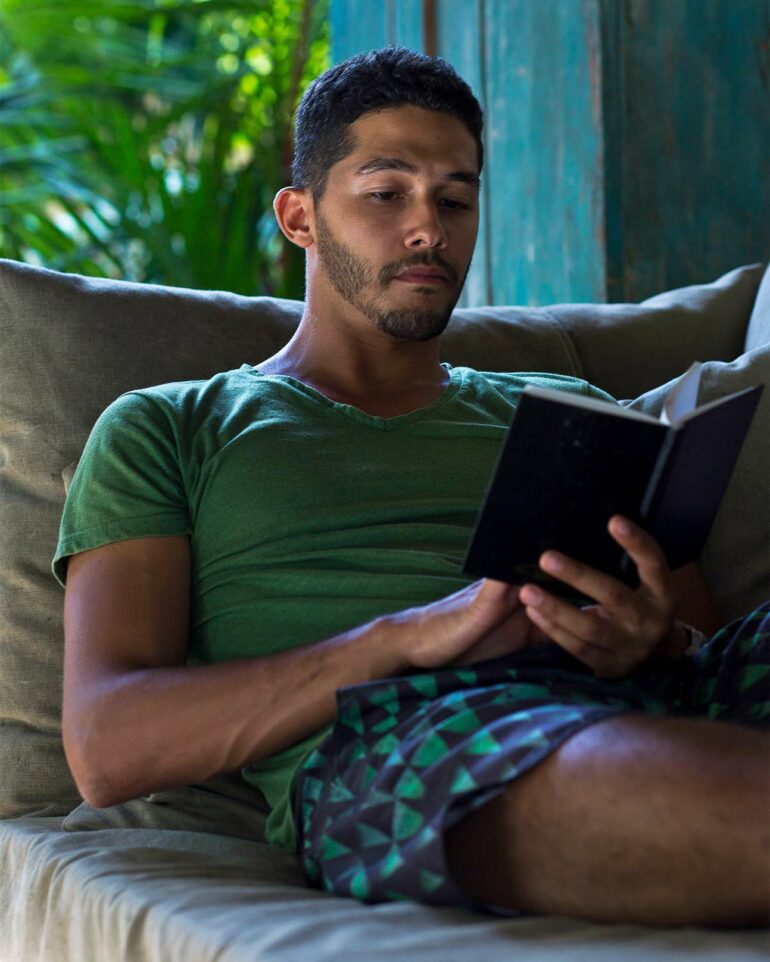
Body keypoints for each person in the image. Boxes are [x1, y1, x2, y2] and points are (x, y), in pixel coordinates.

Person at [53, 47, 768, 928]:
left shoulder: (574, 413)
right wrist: (414, 635)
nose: (428, 228)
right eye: (386, 194)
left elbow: (700, 644)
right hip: (405, 737)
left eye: (455, 199)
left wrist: (656, 644)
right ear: (300, 215)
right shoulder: (172, 427)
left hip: (633, 696)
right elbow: (106, 746)